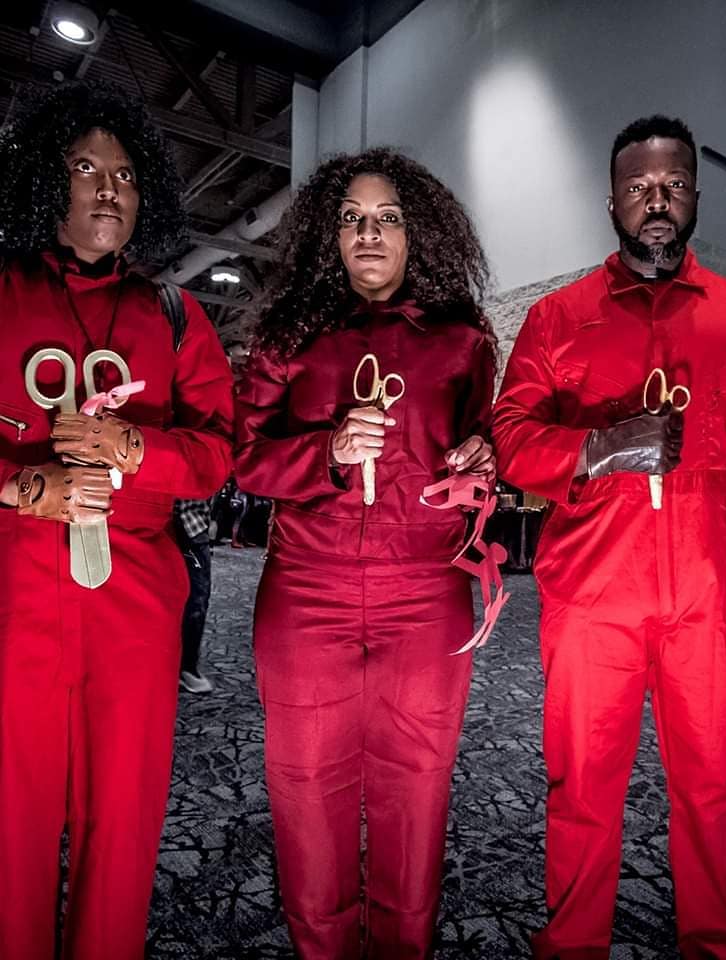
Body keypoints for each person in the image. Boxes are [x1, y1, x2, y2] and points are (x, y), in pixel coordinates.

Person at [492, 115, 726, 959]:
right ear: (611, 203)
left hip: (713, 596)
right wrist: (597, 446)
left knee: (715, 789)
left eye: (673, 185)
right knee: (580, 790)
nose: (656, 201)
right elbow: (511, 437)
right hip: (592, 596)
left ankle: (722, 947)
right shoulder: (559, 318)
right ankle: (572, 946)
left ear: (696, 197)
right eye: (638, 187)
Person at [234, 148, 497, 959]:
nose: (369, 234)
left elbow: (488, 445)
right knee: (307, 793)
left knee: (415, 792)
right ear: (331, 235)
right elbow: (243, 458)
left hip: (426, 592)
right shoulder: (289, 337)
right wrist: (329, 450)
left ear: (416, 233)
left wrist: (485, 460)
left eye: (387, 219)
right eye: (352, 219)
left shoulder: (462, 342)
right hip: (306, 591)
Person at [0, 82, 233, 959]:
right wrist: (24, 488)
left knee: (123, 826)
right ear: (44, 180)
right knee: (9, 824)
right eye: (85, 167)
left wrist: (136, 446)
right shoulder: (3, 294)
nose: (108, 188)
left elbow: (218, 453)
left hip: (135, 607)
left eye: (127, 175)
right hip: (15, 600)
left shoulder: (175, 315)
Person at [173, 497, 215, 693]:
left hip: (189, 524)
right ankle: (184, 668)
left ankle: (185, 667)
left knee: (194, 600)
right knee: (195, 599)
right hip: (181, 523)